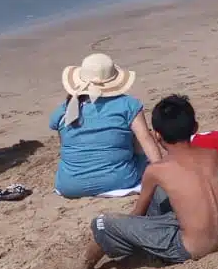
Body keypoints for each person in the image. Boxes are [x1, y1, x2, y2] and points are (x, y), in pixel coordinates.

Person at [82, 94, 218, 269]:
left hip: (188, 250)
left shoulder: (157, 170)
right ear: (195, 128)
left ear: (157, 135)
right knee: (161, 194)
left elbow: (137, 215)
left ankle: (84, 267)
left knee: (102, 223)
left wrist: (128, 229)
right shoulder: (213, 155)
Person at [50, 52, 162, 198]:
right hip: (120, 180)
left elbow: (64, 143)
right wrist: (162, 170)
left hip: (69, 185)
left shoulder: (66, 108)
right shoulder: (128, 104)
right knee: (141, 133)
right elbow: (146, 140)